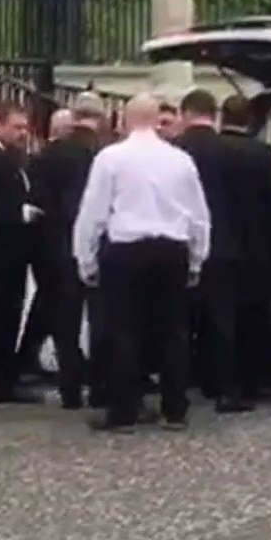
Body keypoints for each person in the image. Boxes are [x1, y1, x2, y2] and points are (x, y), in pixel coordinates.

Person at [73, 92, 211, 433]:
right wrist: (196, 259)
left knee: (124, 330)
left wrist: (85, 259)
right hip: (172, 249)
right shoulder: (180, 160)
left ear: (125, 120)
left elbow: (93, 213)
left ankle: (124, 411)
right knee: (173, 331)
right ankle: (175, 409)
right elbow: (199, 216)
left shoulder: (111, 158)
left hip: (127, 250)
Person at [174, 89, 253, 414]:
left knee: (177, 321)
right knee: (221, 321)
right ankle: (226, 389)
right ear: (214, 113)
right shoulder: (233, 151)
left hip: (180, 243)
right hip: (224, 245)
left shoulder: (174, 151)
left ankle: (177, 387)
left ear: (185, 113)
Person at [217, 95, 271, 399]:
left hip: (218, 247)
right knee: (253, 319)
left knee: (221, 319)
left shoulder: (212, 152)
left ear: (222, 117)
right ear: (250, 120)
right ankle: (250, 382)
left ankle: (223, 383)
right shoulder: (261, 154)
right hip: (256, 249)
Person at [29, 103, 105, 408]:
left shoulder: (46, 157)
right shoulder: (101, 158)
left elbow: (37, 201)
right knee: (100, 318)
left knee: (66, 323)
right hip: (94, 245)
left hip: (56, 246)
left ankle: (70, 386)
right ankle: (100, 384)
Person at [0, 101, 43, 405]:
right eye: (16, 127)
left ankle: (6, 383)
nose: (22, 133)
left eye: (25, 127)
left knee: (10, 320)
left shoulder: (16, 160)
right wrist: (18, 213)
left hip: (15, 256)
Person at [17, 108, 75, 378]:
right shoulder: (56, 159)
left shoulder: (38, 159)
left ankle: (29, 355)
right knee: (57, 302)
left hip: (43, 241)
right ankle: (64, 361)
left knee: (48, 301)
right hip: (55, 240)